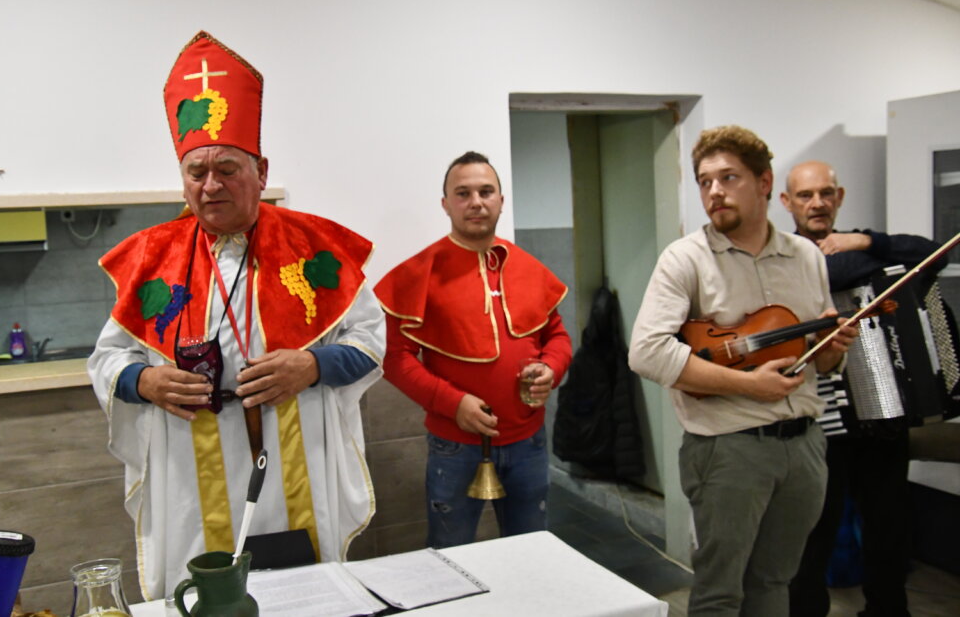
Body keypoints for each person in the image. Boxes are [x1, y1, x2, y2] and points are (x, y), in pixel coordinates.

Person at [87, 31, 385, 599]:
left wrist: (313, 366)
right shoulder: (153, 258)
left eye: (227, 168)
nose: (210, 185)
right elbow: (106, 361)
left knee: (306, 597)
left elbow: (372, 341)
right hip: (190, 470)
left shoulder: (315, 248)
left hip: (299, 455)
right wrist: (144, 380)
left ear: (261, 171)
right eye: (195, 171)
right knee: (203, 599)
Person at [628, 126, 858, 616]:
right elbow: (647, 352)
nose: (714, 191)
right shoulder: (685, 258)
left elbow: (819, 360)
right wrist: (748, 385)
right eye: (704, 181)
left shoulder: (806, 256)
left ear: (764, 182)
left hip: (805, 446)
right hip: (728, 449)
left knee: (775, 582)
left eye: (728, 177)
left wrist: (833, 349)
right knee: (720, 593)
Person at [374, 152, 572, 547]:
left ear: (501, 200)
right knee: (451, 557)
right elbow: (394, 359)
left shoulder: (529, 267)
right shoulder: (420, 271)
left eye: (486, 192)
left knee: (533, 553)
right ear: (446, 204)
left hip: (528, 443)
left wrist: (552, 368)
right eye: (463, 193)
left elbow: (558, 336)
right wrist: (453, 403)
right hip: (455, 446)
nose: (476, 202)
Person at [782, 160, 943, 617]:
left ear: (840, 197)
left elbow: (935, 255)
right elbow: (825, 275)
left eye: (826, 193)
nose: (817, 203)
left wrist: (868, 241)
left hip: (882, 413)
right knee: (814, 534)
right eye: (806, 195)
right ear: (787, 202)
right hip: (819, 421)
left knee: (889, 527)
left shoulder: (861, 246)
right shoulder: (780, 256)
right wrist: (857, 257)